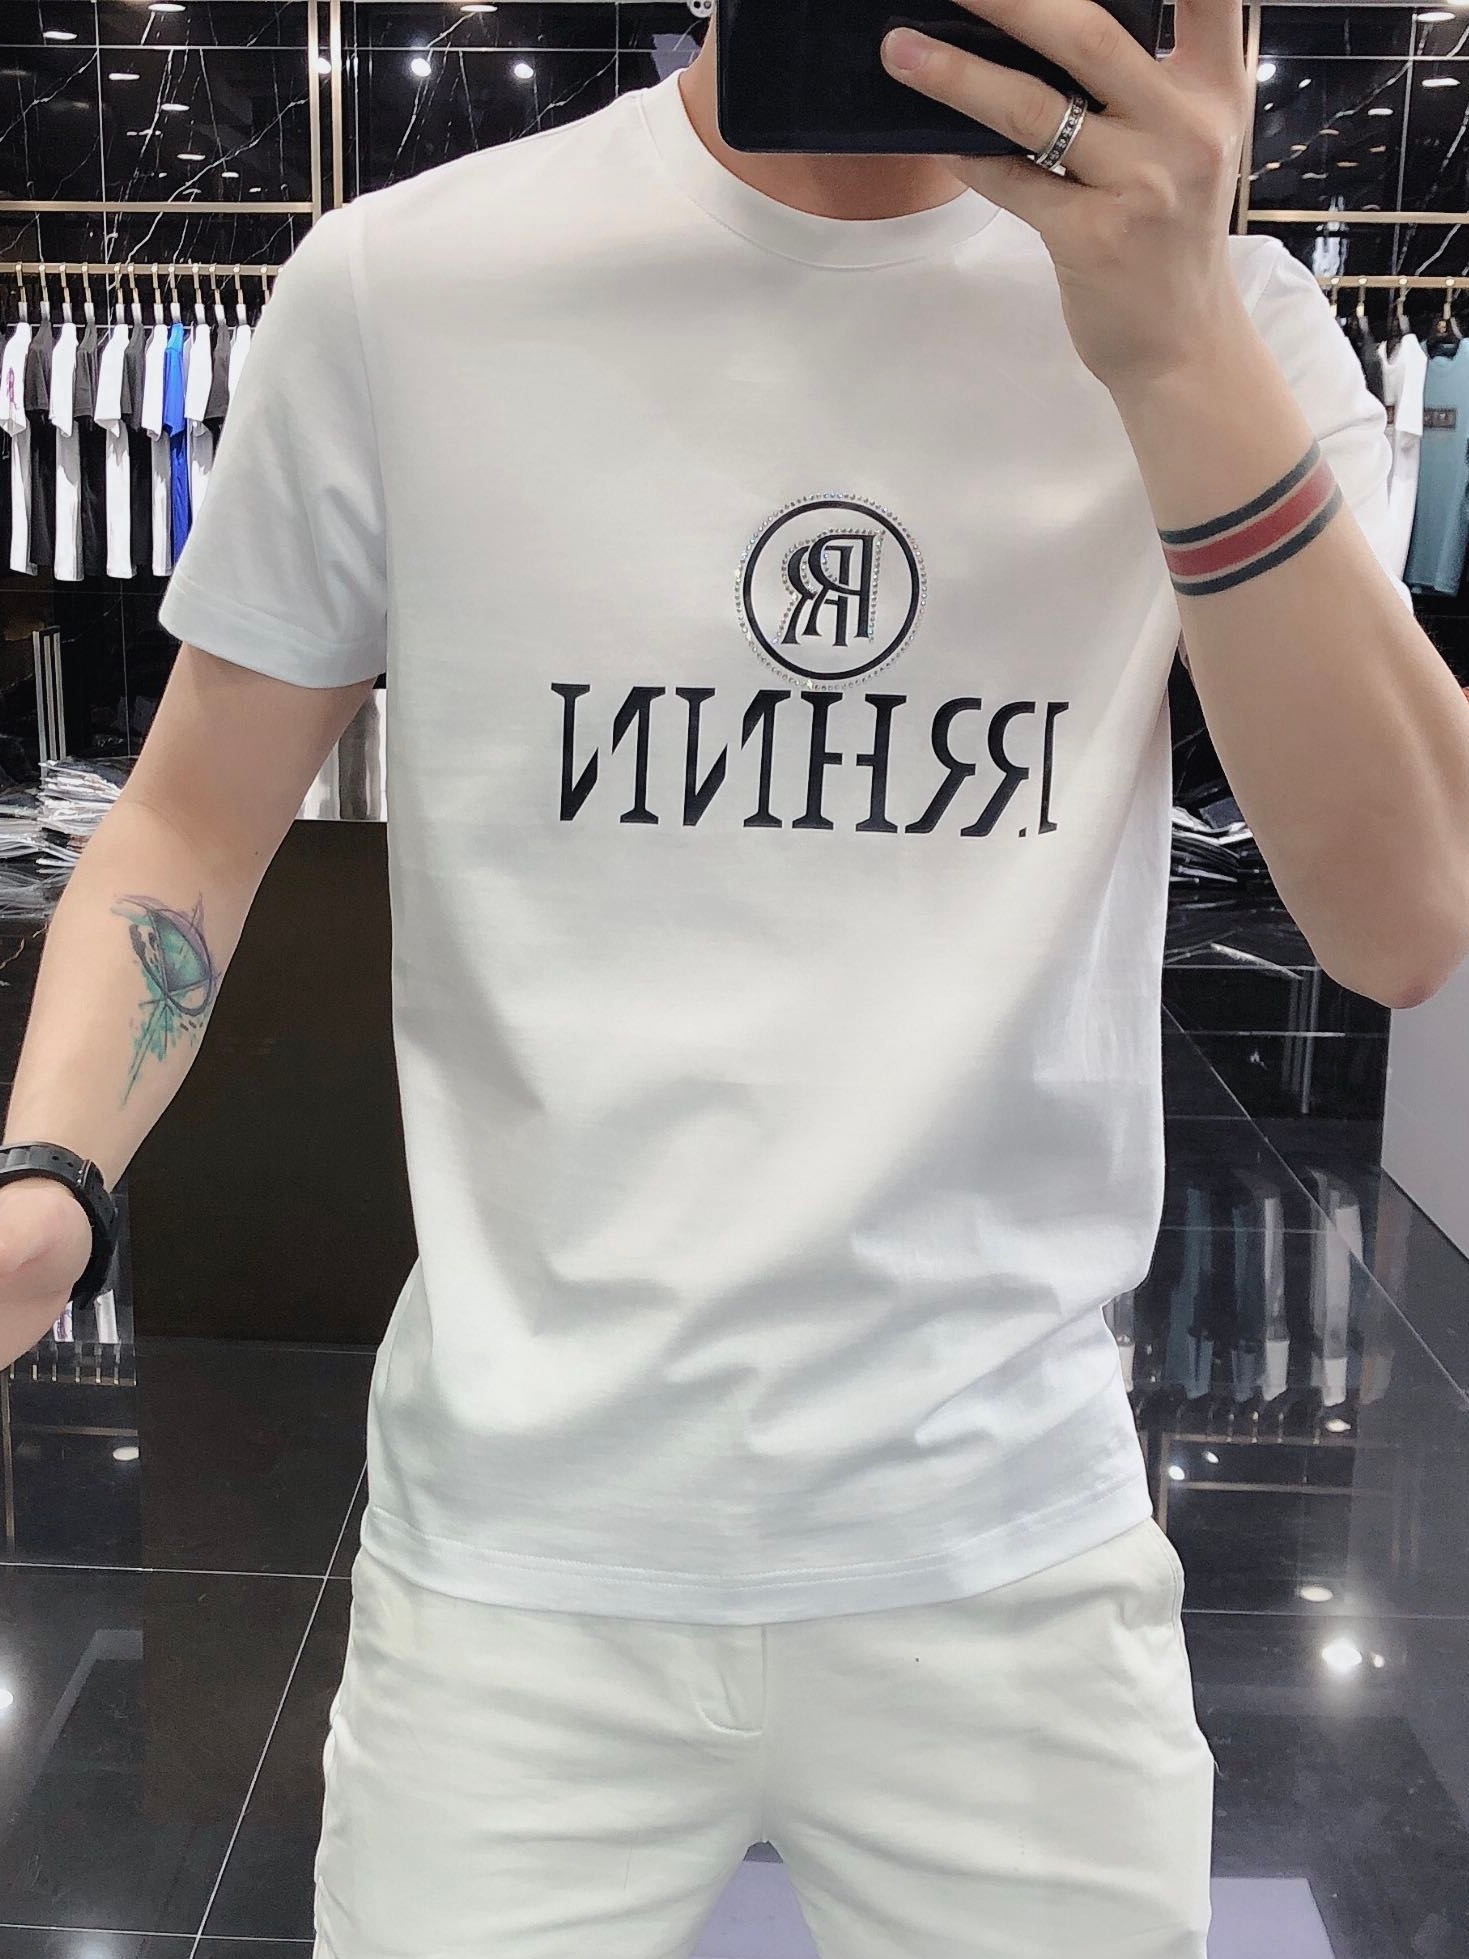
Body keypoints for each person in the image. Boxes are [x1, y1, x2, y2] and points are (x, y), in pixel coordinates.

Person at [4, 6, 1469, 1955]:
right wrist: (49, 1175)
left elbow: (1404, 915)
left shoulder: (1225, 320)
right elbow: (189, 820)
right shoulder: (413, 290)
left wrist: (1174, 344)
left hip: (1005, 1553)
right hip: (519, 1559)